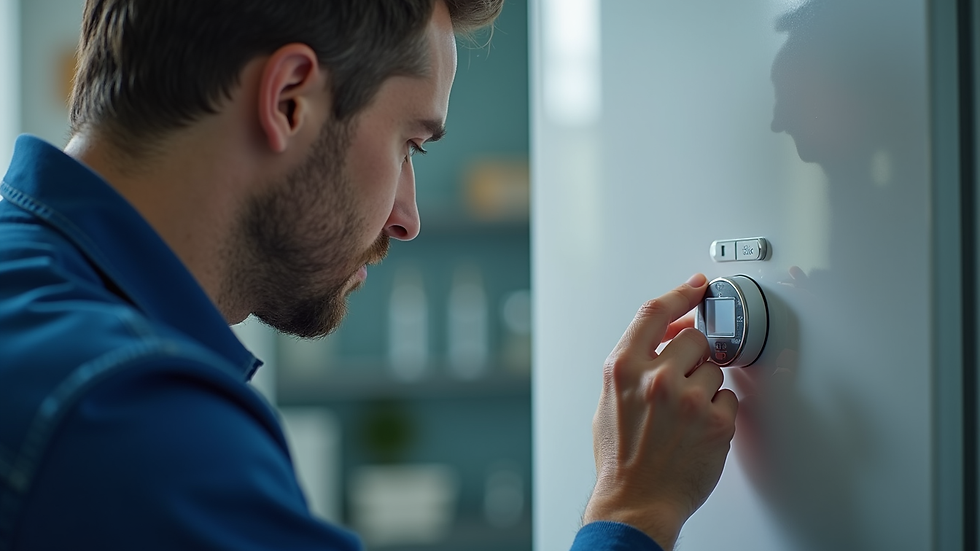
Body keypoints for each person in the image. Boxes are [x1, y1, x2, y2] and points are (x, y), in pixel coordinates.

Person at [0, 1, 736, 550]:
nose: (408, 217)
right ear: (289, 99)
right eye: (411, 142)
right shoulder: (133, 421)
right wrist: (632, 511)